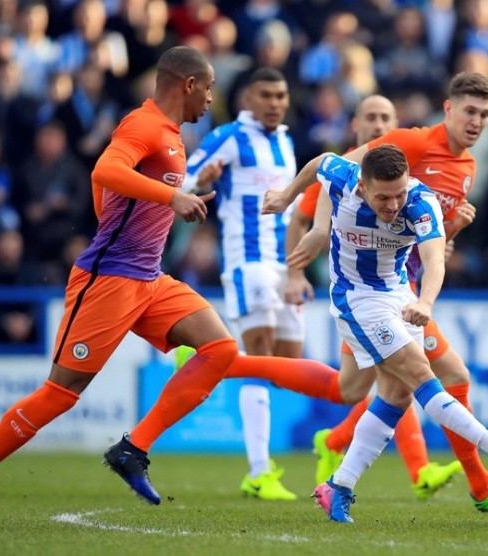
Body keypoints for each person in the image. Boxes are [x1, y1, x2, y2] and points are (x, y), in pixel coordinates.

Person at [0, 46, 240, 530]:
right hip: (109, 280)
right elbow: (105, 173)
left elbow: (119, 190)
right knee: (61, 392)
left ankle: (132, 450)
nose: (212, 99)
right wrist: (174, 196)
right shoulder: (144, 124)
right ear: (188, 84)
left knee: (220, 348)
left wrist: (183, 186)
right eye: (209, 88)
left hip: (149, 279)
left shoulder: (171, 136)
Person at [262, 144, 488, 523]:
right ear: (362, 186)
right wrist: (286, 197)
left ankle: (339, 486)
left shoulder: (419, 202)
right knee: (420, 375)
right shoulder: (342, 177)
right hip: (356, 298)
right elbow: (319, 162)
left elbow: (433, 260)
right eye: (383, 196)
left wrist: (425, 302)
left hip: (399, 294)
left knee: (396, 397)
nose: (393, 204)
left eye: (399, 193)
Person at [286, 94, 464, 501]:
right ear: (356, 128)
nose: (380, 125)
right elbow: (317, 195)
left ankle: (350, 451)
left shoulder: (418, 162)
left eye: (387, 117)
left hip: (407, 293)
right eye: (371, 118)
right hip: (361, 295)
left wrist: (451, 233)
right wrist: (313, 234)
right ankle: (235, 365)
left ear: (397, 124)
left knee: (411, 380)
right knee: (371, 384)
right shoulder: (353, 169)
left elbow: (431, 242)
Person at [181, 67, 300, 501]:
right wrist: (202, 182)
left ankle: (199, 361)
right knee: (261, 354)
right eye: (266, 94)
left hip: (284, 262)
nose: (274, 102)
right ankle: (257, 470)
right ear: (248, 97)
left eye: (281, 94)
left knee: (288, 367)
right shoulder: (230, 135)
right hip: (247, 261)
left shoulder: (286, 141)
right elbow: (183, 180)